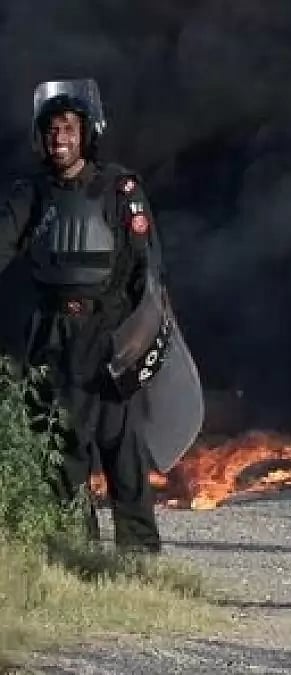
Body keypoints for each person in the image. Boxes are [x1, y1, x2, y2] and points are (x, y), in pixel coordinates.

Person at [0, 79, 165, 552]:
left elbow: (147, 265)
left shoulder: (119, 188)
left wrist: (143, 335)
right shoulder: (29, 194)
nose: (59, 138)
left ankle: (139, 556)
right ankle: (78, 553)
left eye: (68, 128)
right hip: (53, 333)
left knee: (123, 448)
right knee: (63, 448)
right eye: (51, 130)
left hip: (112, 331)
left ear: (86, 133)